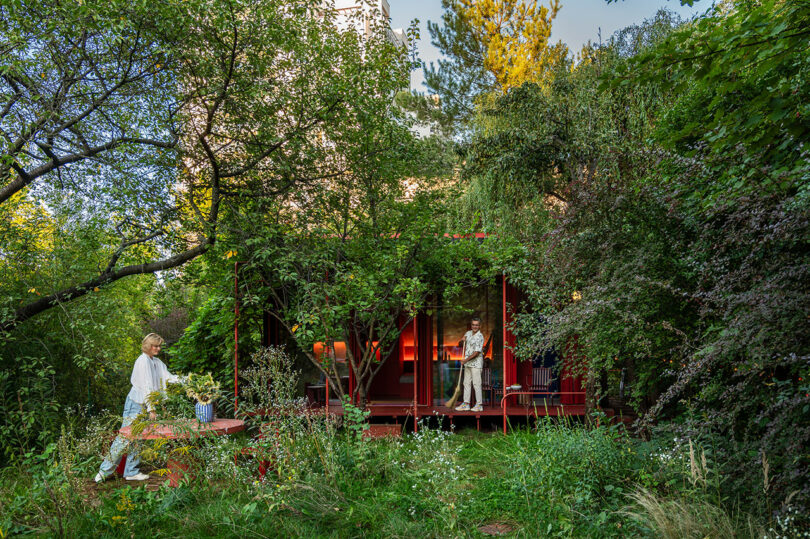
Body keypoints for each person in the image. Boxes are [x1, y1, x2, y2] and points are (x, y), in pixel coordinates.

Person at [95, 333, 181, 483]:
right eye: (155, 346)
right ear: (148, 346)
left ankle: (131, 471)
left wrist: (189, 380)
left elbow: (169, 377)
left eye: (159, 346)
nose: (158, 348)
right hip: (136, 403)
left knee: (138, 439)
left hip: (146, 404)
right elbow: (147, 386)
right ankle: (103, 471)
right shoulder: (142, 361)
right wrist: (152, 409)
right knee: (124, 438)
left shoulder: (156, 362)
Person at [455, 317, 485, 412]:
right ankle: (466, 404)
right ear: (471, 325)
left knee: (476, 384)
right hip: (468, 364)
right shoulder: (468, 333)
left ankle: (479, 405)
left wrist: (465, 360)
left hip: (476, 364)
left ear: (479, 326)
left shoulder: (480, 337)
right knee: (466, 383)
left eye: (476, 325)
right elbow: (459, 345)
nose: (475, 326)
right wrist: (462, 340)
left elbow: (476, 352)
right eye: (473, 325)